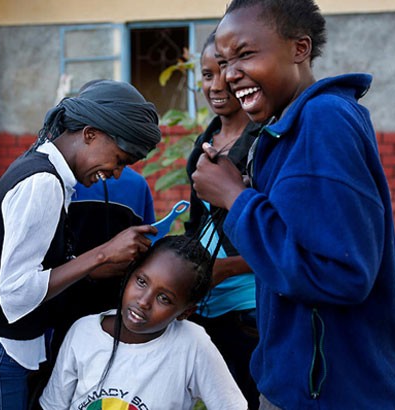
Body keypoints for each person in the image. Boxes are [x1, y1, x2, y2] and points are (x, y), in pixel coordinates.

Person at [191, 1, 395, 409]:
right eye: (222, 62)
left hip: (328, 394)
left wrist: (235, 199)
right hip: (296, 382)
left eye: (244, 54)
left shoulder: (323, 121)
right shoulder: (287, 128)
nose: (229, 74)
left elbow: (340, 274)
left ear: (300, 48)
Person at [0, 79, 162, 410]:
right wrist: (101, 254)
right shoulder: (43, 183)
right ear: (89, 134)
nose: (116, 174)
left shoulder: (46, 171)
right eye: (119, 159)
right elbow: (15, 294)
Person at [39, 235, 248, 410]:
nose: (143, 301)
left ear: (185, 312)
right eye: (141, 281)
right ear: (129, 275)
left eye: (164, 298)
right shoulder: (83, 332)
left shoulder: (192, 345)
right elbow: (54, 405)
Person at [27, 167, 156, 409]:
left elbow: (147, 244)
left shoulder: (137, 185)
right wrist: (90, 267)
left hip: (113, 313)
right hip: (57, 311)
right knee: (53, 385)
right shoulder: (53, 181)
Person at [185, 30, 261, 409]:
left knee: (249, 396)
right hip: (207, 304)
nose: (216, 85)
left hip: (250, 308)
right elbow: (197, 223)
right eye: (206, 74)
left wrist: (227, 268)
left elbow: (282, 238)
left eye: (224, 71)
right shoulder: (206, 141)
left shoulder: (264, 143)